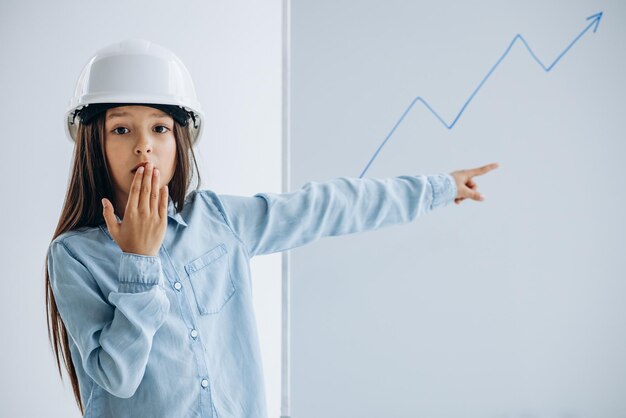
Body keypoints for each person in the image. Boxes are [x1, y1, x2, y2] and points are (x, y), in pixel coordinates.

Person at [45, 39, 499, 418]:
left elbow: (326, 206)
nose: (144, 145)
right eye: (121, 130)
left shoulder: (219, 220)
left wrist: (441, 188)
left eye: (160, 128)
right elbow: (118, 379)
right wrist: (139, 262)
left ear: (180, 141)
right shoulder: (73, 256)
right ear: (93, 143)